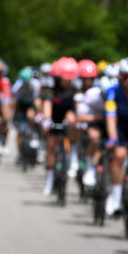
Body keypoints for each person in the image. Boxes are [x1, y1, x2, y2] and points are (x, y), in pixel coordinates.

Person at [104, 58, 128, 216]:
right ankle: (116, 197)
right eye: (125, 77)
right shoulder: (112, 91)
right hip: (120, 126)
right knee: (119, 155)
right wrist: (113, 138)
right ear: (120, 78)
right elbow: (111, 117)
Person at [40, 57, 79, 195]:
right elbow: (47, 103)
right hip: (53, 112)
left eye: (70, 80)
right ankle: (50, 180)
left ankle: (73, 152)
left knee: (73, 121)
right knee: (51, 145)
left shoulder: (76, 84)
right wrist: (47, 120)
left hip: (68, 110)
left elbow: (78, 105)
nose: (68, 83)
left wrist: (75, 119)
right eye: (65, 80)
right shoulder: (49, 83)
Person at [74, 58, 104, 187]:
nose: (88, 82)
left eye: (91, 79)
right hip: (89, 122)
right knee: (94, 136)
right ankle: (77, 157)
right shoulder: (84, 93)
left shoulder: (101, 89)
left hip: (102, 121)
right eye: (85, 79)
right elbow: (79, 116)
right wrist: (97, 118)